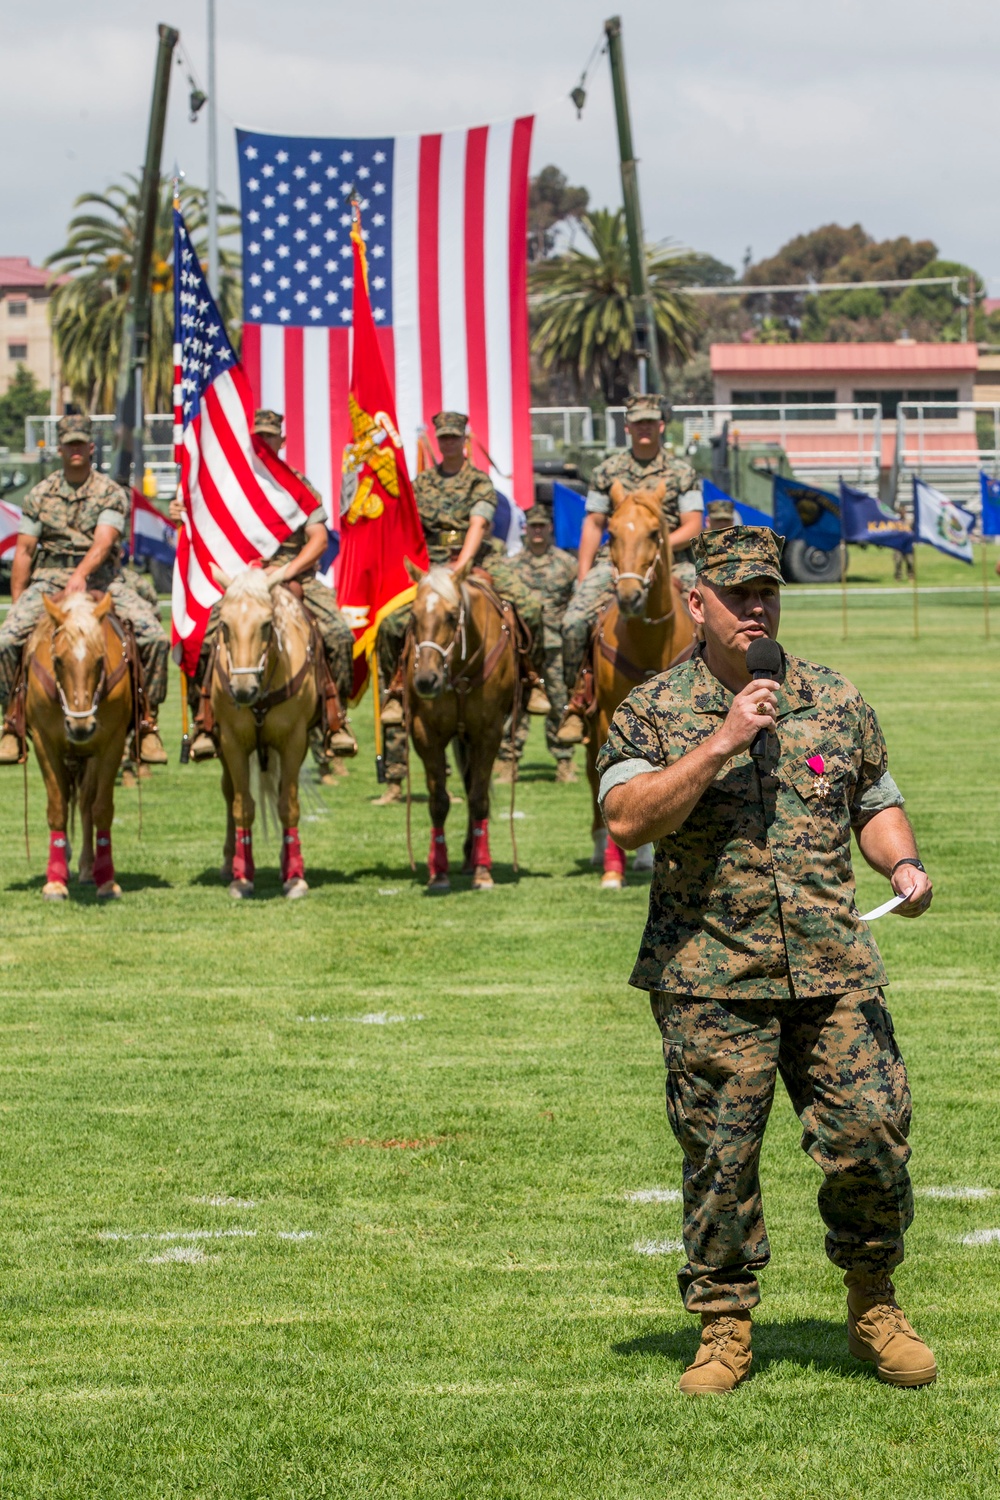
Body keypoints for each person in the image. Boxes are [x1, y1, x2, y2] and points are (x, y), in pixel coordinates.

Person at [597, 525, 936, 1396]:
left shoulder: (831, 698)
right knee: (720, 1154)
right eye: (737, 593)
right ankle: (723, 1325)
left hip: (834, 965)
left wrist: (899, 860)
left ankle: (873, 1305)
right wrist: (717, 742)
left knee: (871, 1133)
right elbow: (628, 819)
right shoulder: (653, 709)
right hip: (711, 973)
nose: (755, 607)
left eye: (767, 593)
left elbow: (873, 798)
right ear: (697, 602)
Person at [374, 411, 549, 806]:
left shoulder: (478, 481)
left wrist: (461, 567)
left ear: (464, 440)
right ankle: (397, 687)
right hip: (431, 563)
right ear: (438, 440)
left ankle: (530, 678)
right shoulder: (422, 484)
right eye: (444, 437)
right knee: (390, 624)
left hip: (479, 558)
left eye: (455, 437)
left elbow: (477, 525)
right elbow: (408, 528)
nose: (449, 442)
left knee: (532, 608)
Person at [171, 409, 357, 764]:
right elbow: (204, 525)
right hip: (241, 583)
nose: (264, 443)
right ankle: (204, 721)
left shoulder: (300, 486)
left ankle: (336, 719)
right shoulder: (231, 484)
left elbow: (317, 540)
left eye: (270, 436)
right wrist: (181, 510)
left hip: (294, 578)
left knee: (338, 635)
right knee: (204, 637)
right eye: (258, 436)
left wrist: (287, 571)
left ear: (282, 441)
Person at [0, 414, 169, 764]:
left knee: (154, 638)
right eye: (69, 444)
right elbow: (26, 551)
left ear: (91, 448)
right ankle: (12, 723)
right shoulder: (40, 494)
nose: (75, 449)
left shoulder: (110, 492)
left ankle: (146, 724)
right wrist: (19, 603)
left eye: (81, 443)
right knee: (6, 641)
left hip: (103, 580)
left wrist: (80, 575)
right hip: (48, 579)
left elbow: (103, 542)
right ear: (60, 449)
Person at [558, 394, 704, 744]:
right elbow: (594, 523)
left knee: (713, 616)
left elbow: (694, 524)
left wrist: (654, 548)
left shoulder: (682, 472)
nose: (644, 427)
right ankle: (578, 700)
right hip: (615, 563)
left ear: (661, 426)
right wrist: (583, 576)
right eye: (638, 422)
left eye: (650, 421)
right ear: (627, 427)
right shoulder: (607, 472)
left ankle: (720, 693)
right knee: (573, 622)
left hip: (672, 561)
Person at [495, 506, 577, 783]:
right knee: (515, 702)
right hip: (522, 648)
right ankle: (508, 761)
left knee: (558, 701)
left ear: (550, 528)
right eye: (533, 526)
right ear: (526, 529)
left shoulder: (567, 563)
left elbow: (576, 602)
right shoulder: (510, 566)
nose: (538, 530)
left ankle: (564, 761)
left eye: (542, 525)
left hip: (555, 644)